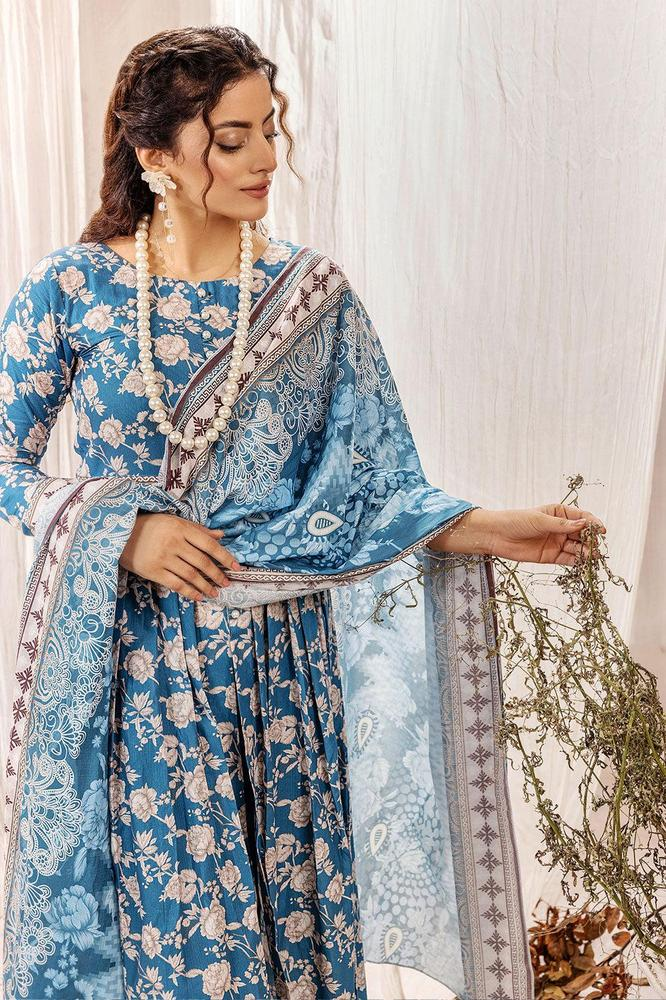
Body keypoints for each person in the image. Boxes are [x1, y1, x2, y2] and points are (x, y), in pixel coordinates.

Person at [0, 24, 606, 1000]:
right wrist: (126, 530)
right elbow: (3, 459)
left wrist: (490, 527)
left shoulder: (309, 297)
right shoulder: (72, 289)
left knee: (290, 947)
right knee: (177, 955)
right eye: (231, 138)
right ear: (155, 152)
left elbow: (373, 489)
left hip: (283, 678)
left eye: (270, 130)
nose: (266, 158)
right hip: (142, 680)